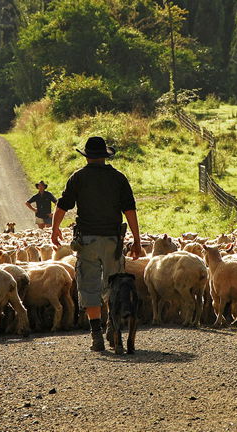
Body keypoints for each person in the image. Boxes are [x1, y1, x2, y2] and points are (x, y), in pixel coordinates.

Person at [51, 136, 144, 352]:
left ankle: (96, 336)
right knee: (116, 287)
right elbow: (129, 209)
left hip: (87, 241)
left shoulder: (78, 178)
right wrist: (137, 240)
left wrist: (55, 229)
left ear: (87, 157)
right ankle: (113, 328)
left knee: (88, 285)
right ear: (104, 156)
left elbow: (63, 205)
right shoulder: (118, 178)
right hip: (113, 241)